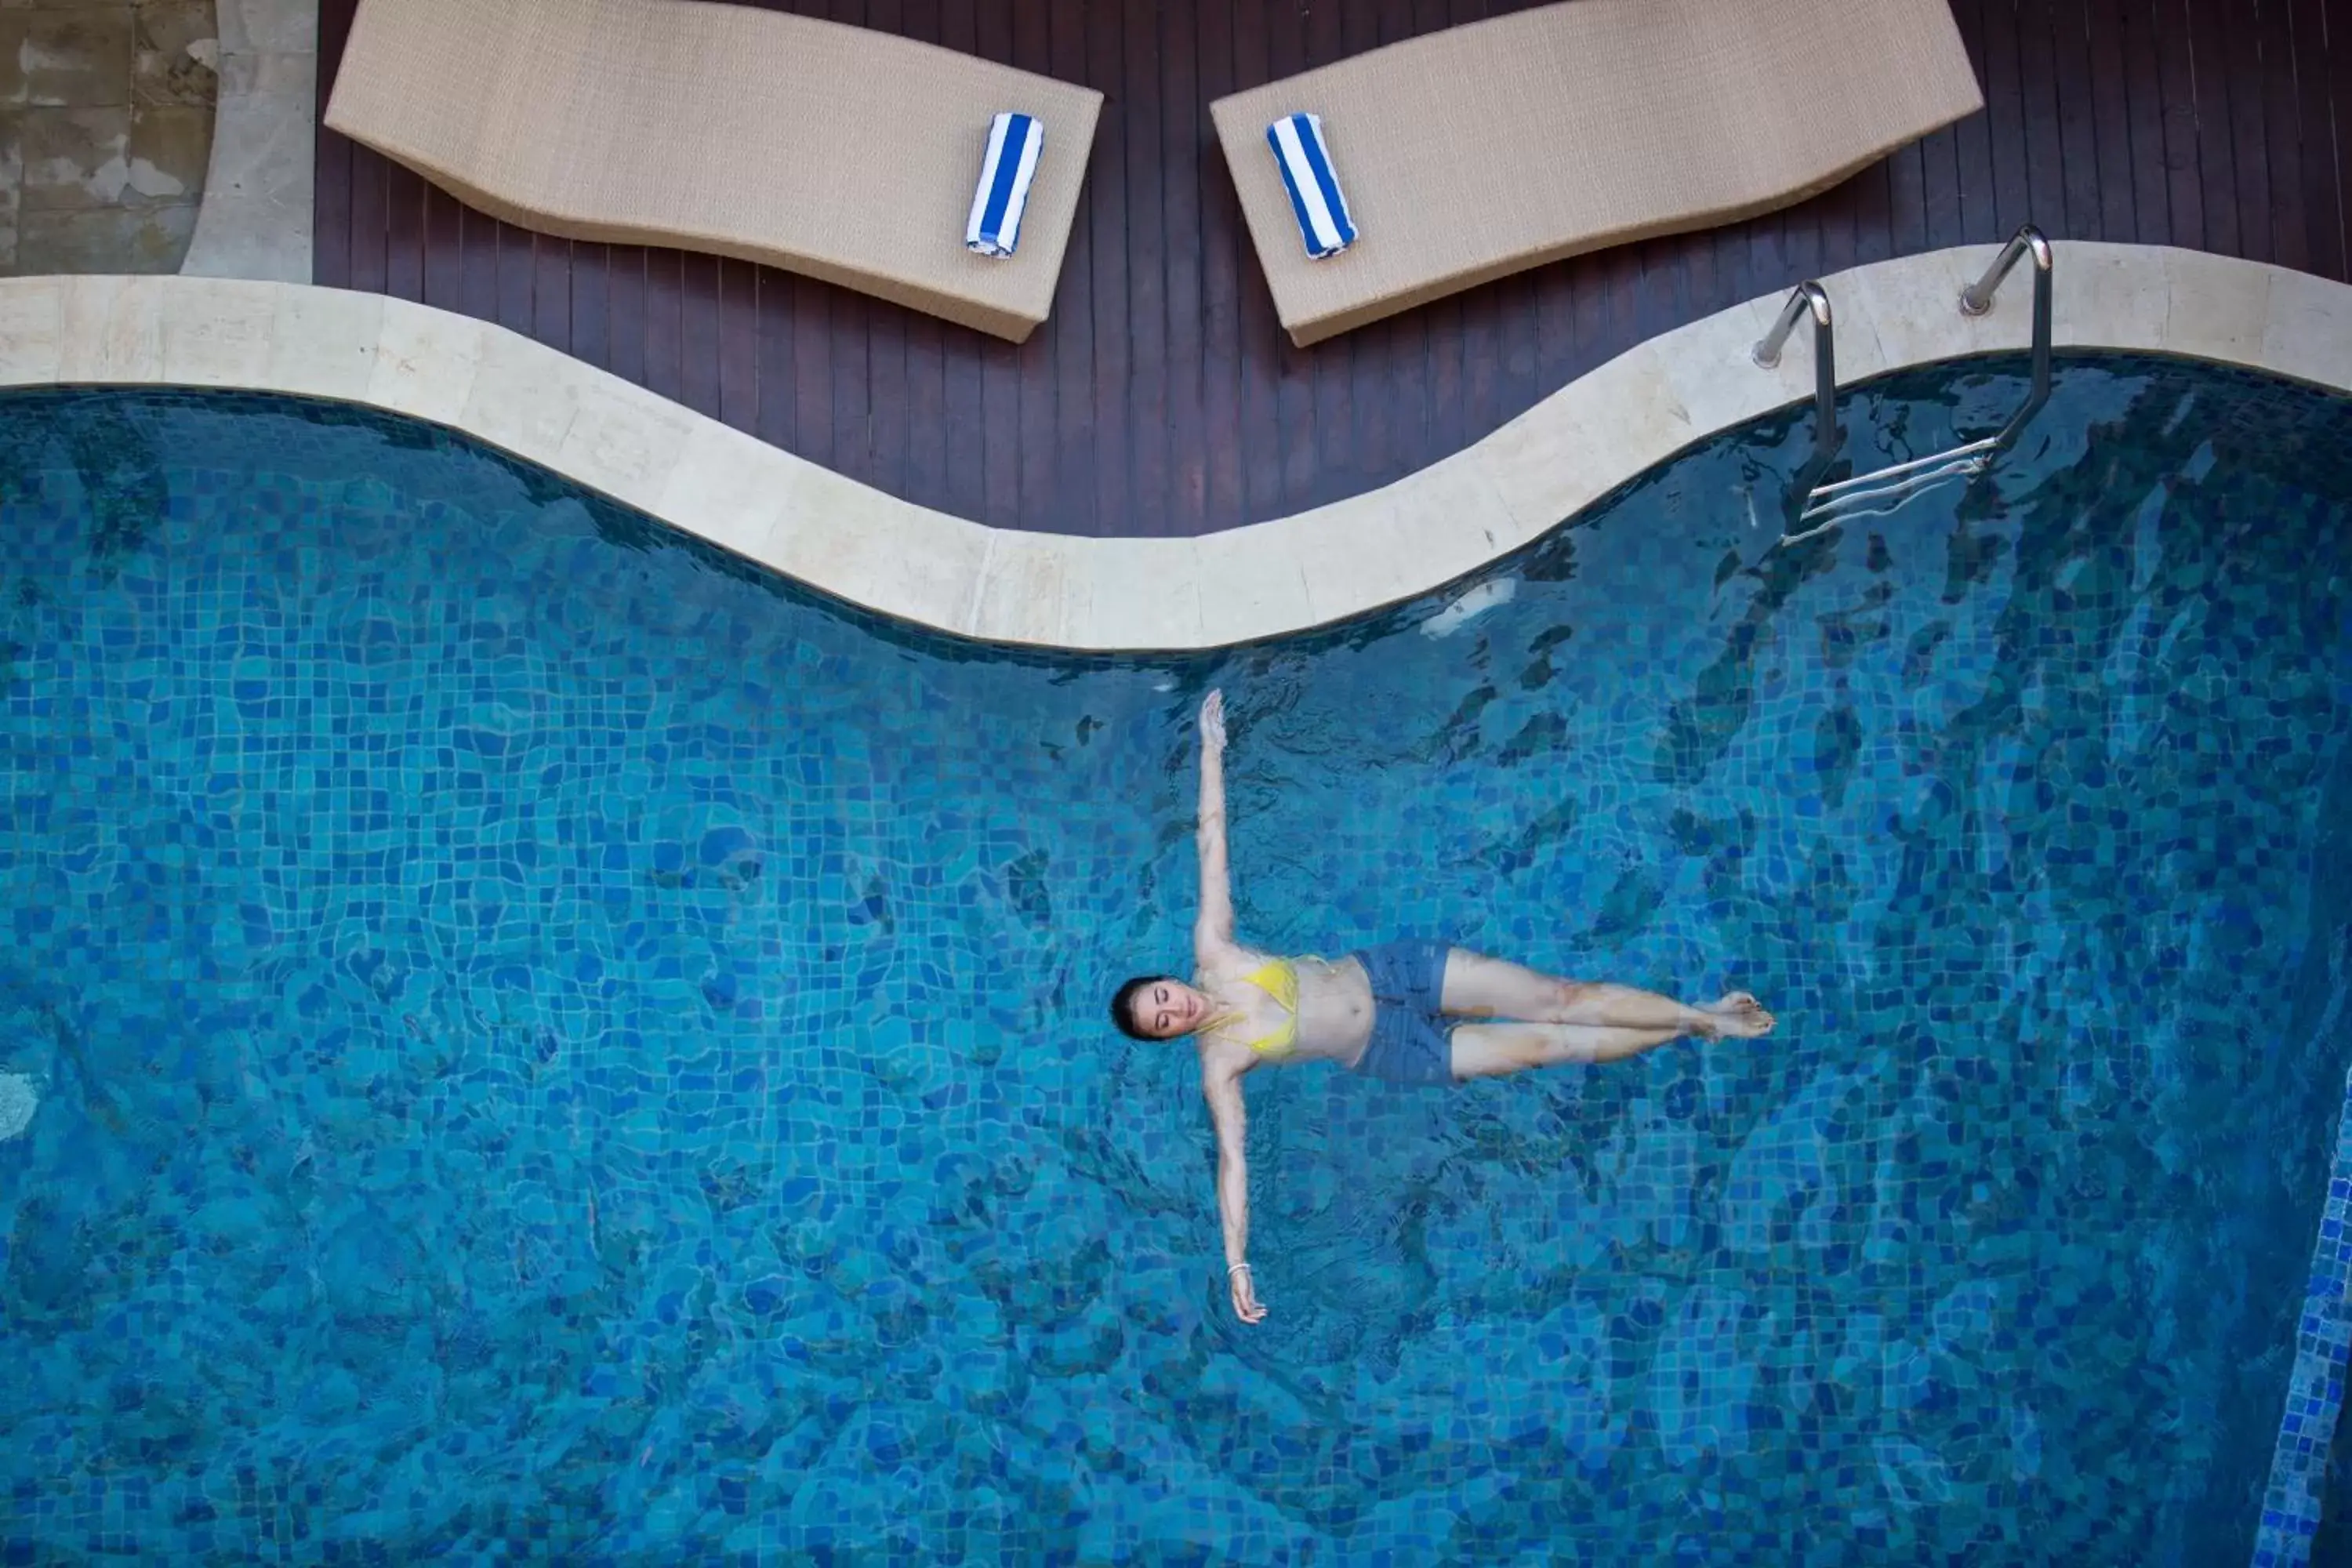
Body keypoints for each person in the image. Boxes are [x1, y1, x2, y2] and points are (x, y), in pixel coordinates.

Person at [1109, 690, 1774, 1324]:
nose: (1177, 1010)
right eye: (1164, 1022)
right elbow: (1234, 1160)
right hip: (1395, 1052)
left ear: (1169, 980)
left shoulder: (1216, 951)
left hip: (1398, 972)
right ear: (1169, 1037)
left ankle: (1702, 1014)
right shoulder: (1219, 1063)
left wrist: (1211, 750)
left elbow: (1212, 844)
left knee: (1558, 999)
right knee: (1553, 1042)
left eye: (1164, 997)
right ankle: (1693, 1028)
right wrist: (1235, 1261)